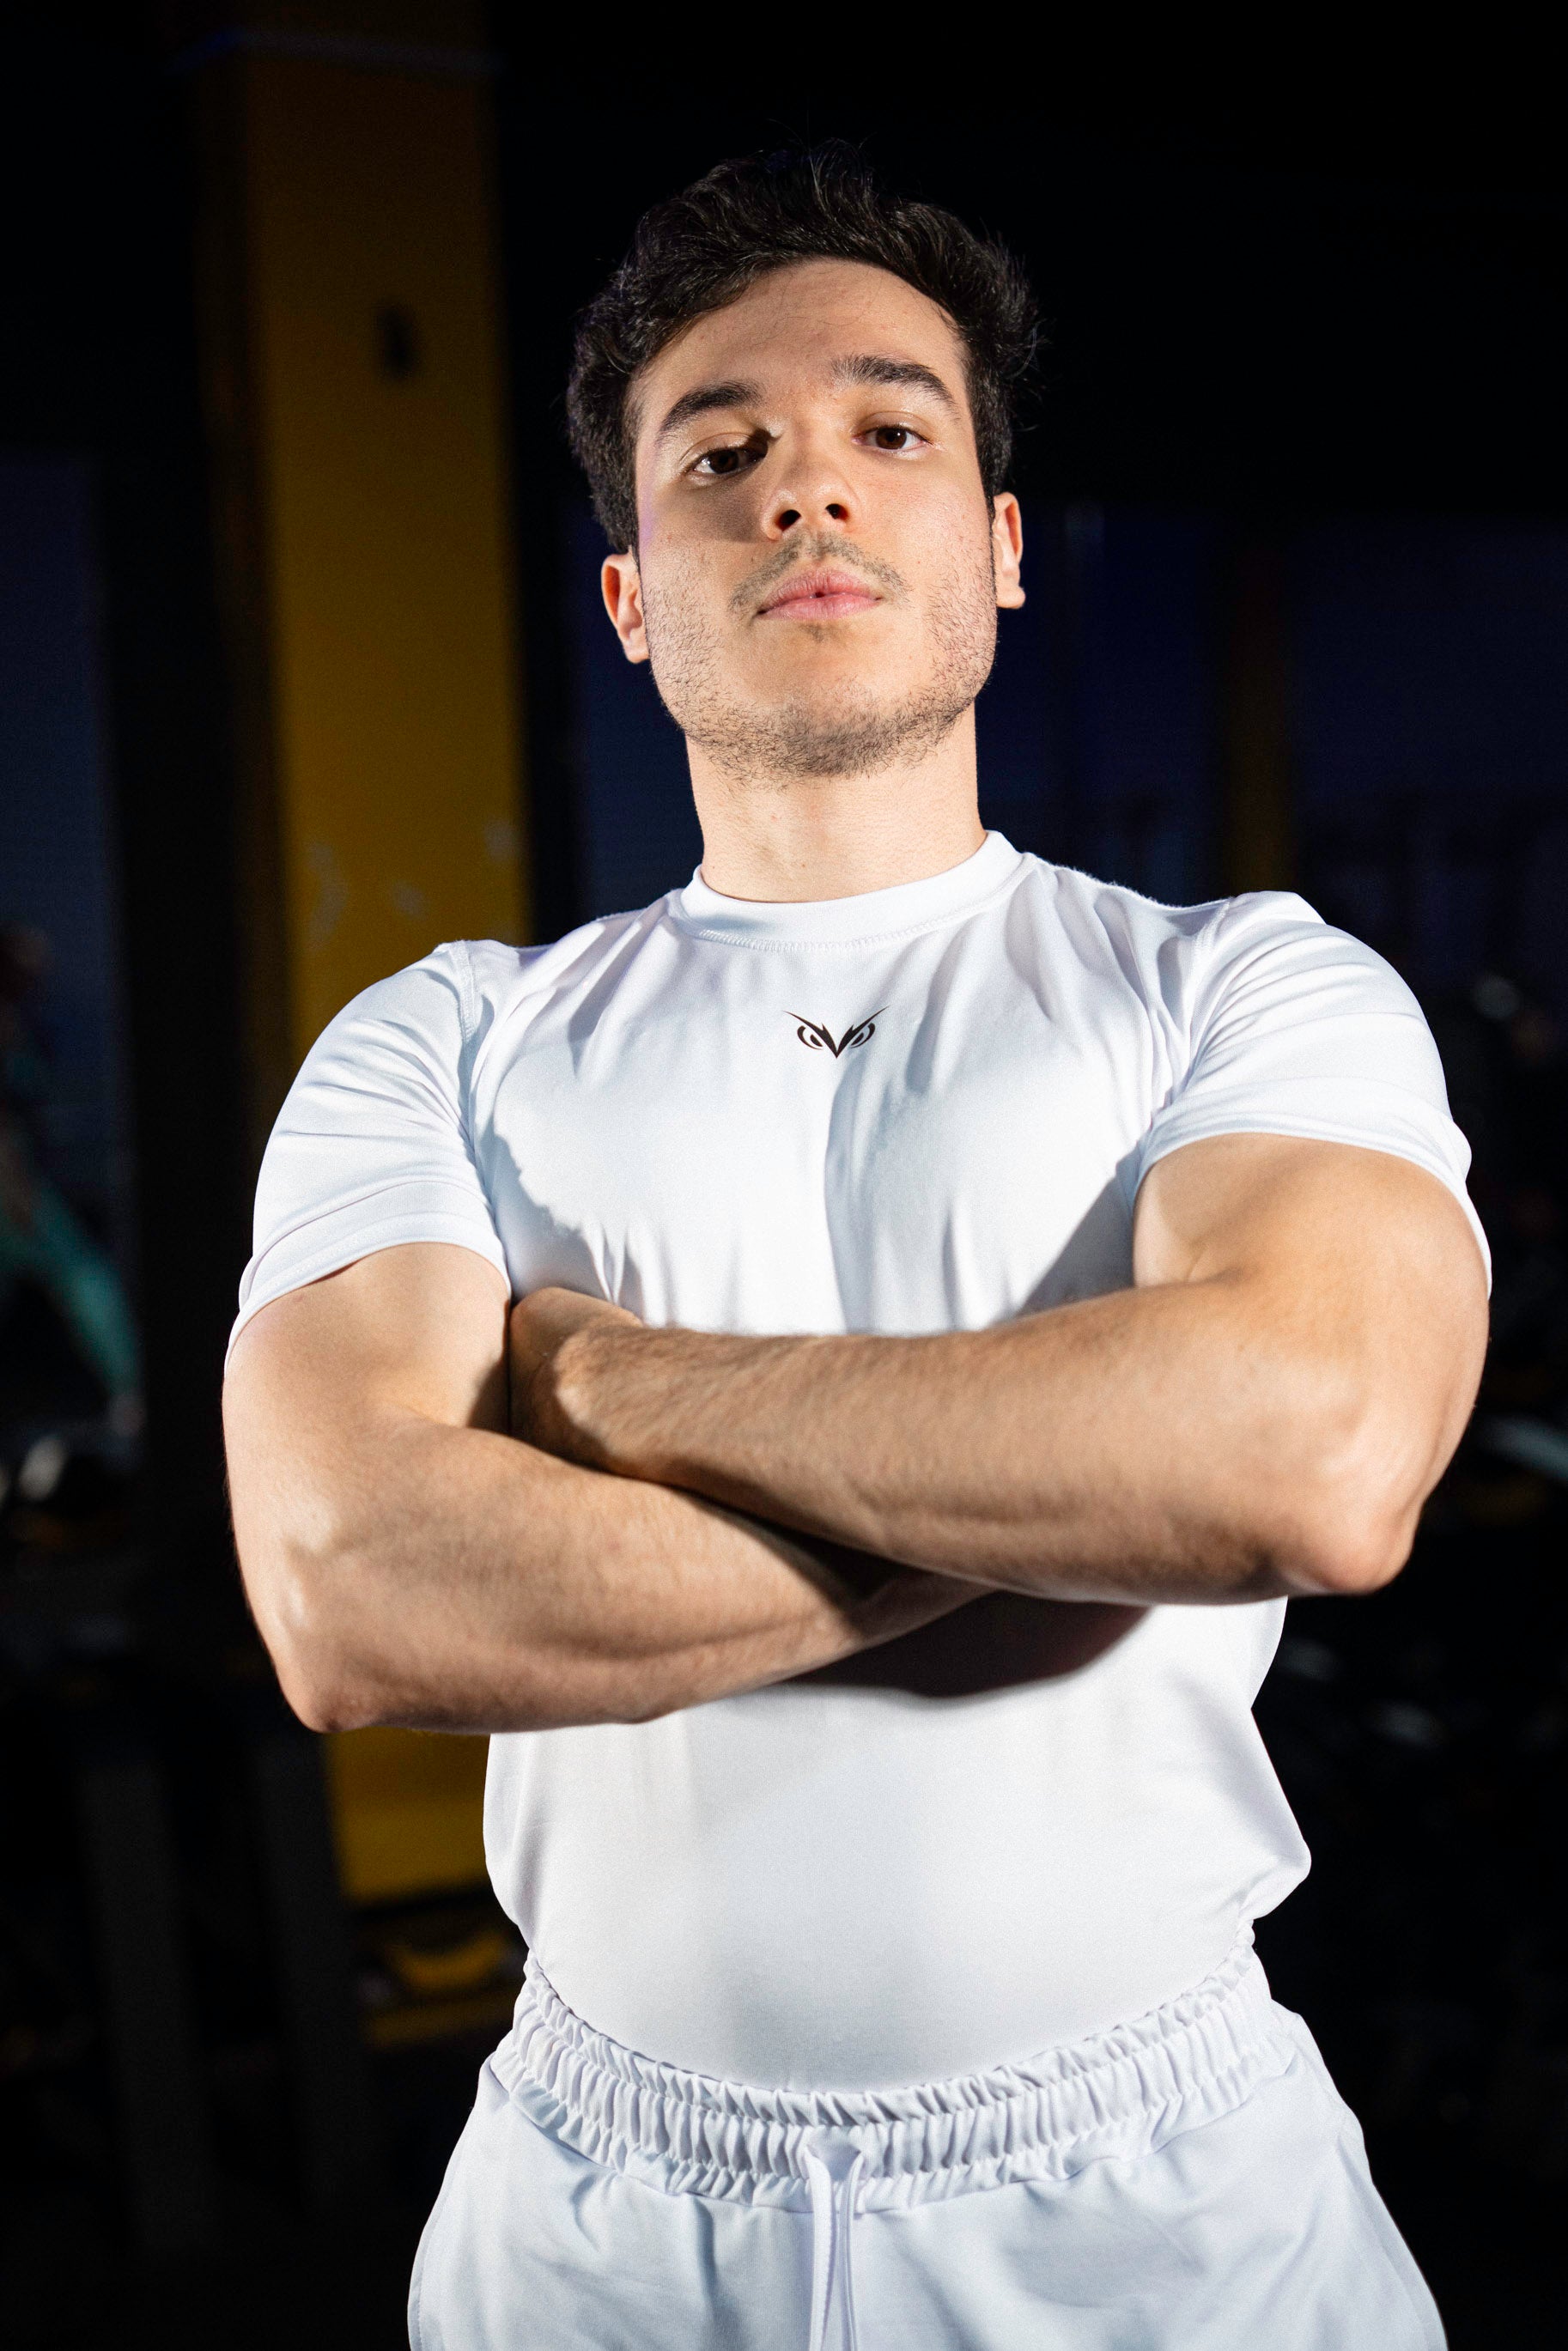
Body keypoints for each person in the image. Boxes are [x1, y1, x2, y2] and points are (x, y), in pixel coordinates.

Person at [222, 148, 1489, 2350]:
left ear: (999, 548)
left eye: (889, 430)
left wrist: (612, 1383)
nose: (804, 487)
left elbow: (1304, 1452)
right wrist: (1074, 1489)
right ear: (630, 594)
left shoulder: (1242, 987)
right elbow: (352, 1586)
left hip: (1158, 2211)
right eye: (720, 454)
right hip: (602, 2230)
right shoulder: (445, 1038)